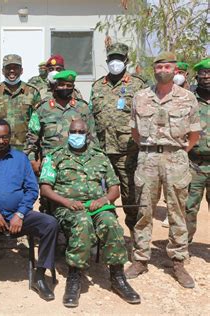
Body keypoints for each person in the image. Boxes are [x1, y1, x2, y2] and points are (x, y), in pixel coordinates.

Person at [40, 119, 140, 307]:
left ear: (88, 135)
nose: (76, 135)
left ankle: (117, 276)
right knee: (83, 223)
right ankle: (75, 276)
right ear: (68, 133)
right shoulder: (54, 156)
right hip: (68, 207)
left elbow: (114, 188)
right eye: (73, 131)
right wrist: (67, 202)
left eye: (80, 131)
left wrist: (104, 200)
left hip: (98, 206)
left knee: (111, 224)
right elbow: (45, 189)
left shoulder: (100, 157)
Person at [0, 119, 59, 306]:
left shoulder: (21, 159)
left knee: (50, 224)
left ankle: (39, 277)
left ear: (10, 137)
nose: (0, 141)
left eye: (4, 137)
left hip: (17, 215)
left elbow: (32, 189)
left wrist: (21, 213)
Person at [125, 52, 201, 288]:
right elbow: (135, 132)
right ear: (154, 70)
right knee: (144, 209)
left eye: (168, 66)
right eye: (159, 67)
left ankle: (178, 261)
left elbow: (194, 134)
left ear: (175, 69)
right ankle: (140, 258)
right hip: (147, 157)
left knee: (177, 210)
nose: (163, 70)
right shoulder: (141, 97)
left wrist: (178, 152)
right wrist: (151, 150)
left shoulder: (188, 98)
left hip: (176, 157)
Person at [89, 43, 147, 234]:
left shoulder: (138, 85)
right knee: (102, 195)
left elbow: (146, 117)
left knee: (131, 196)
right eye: (112, 59)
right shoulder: (97, 86)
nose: (115, 63)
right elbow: (91, 117)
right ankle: (108, 234)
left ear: (126, 61)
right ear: (107, 61)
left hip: (127, 153)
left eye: (119, 59)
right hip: (101, 152)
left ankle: (135, 237)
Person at [25, 70, 95, 176]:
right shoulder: (43, 109)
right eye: (61, 85)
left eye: (68, 85)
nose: (65, 88)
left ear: (73, 87)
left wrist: (93, 162)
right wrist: (32, 160)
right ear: (56, 86)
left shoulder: (82, 108)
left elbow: (92, 138)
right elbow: (31, 138)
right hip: (50, 164)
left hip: (77, 163)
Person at [0, 54, 41, 151]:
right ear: (2, 71)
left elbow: (39, 121)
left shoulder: (32, 91)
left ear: (21, 70)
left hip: (26, 149)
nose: (12, 71)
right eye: (8, 68)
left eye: (16, 68)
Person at [185, 58, 210, 243]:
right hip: (194, 164)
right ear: (197, 76)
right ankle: (182, 248)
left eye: (209, 73)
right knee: (189, 207)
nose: (207, 76)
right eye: (203, 73)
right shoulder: (188, 99)